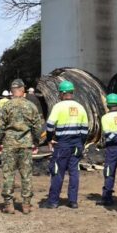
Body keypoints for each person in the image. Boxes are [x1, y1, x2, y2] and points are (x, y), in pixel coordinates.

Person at [0, 78, 43, 214]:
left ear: (12, 91)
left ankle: (9, 205)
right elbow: (37, 127)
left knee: (8, 174)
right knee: (26, 175)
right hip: (26, 144)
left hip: (9, 145)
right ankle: (26, 205)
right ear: (23, 90)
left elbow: (0, 127)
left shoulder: (6, 106)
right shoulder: (31, 106)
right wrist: (36, 142)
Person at [41, 80, 89, 209]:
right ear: (72, 92)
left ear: (62, 93)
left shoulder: (58, 107)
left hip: (62, 144)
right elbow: (85, 129)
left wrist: (49, 139)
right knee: (74, 172)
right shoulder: (80, 107)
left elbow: (50, 126)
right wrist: (81, 144)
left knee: (58, 171)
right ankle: (73, 201)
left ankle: (53, 201)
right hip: (76, 144)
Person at [96, 93, 117, 206]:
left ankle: (107, 198)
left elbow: (108, 134)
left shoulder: (105, 118)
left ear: (107, 105)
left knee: (109, 173)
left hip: (112, 149)